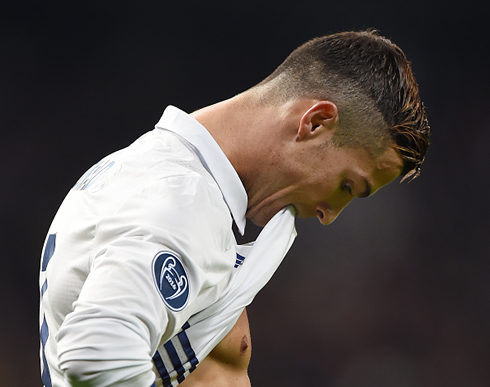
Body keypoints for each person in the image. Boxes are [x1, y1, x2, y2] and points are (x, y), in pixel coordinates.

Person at [39, 30, 430, 387]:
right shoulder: (181, 198)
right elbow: (95, 356)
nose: (330, 214)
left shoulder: (148, 173)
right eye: (348, 186)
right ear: (315, 122)